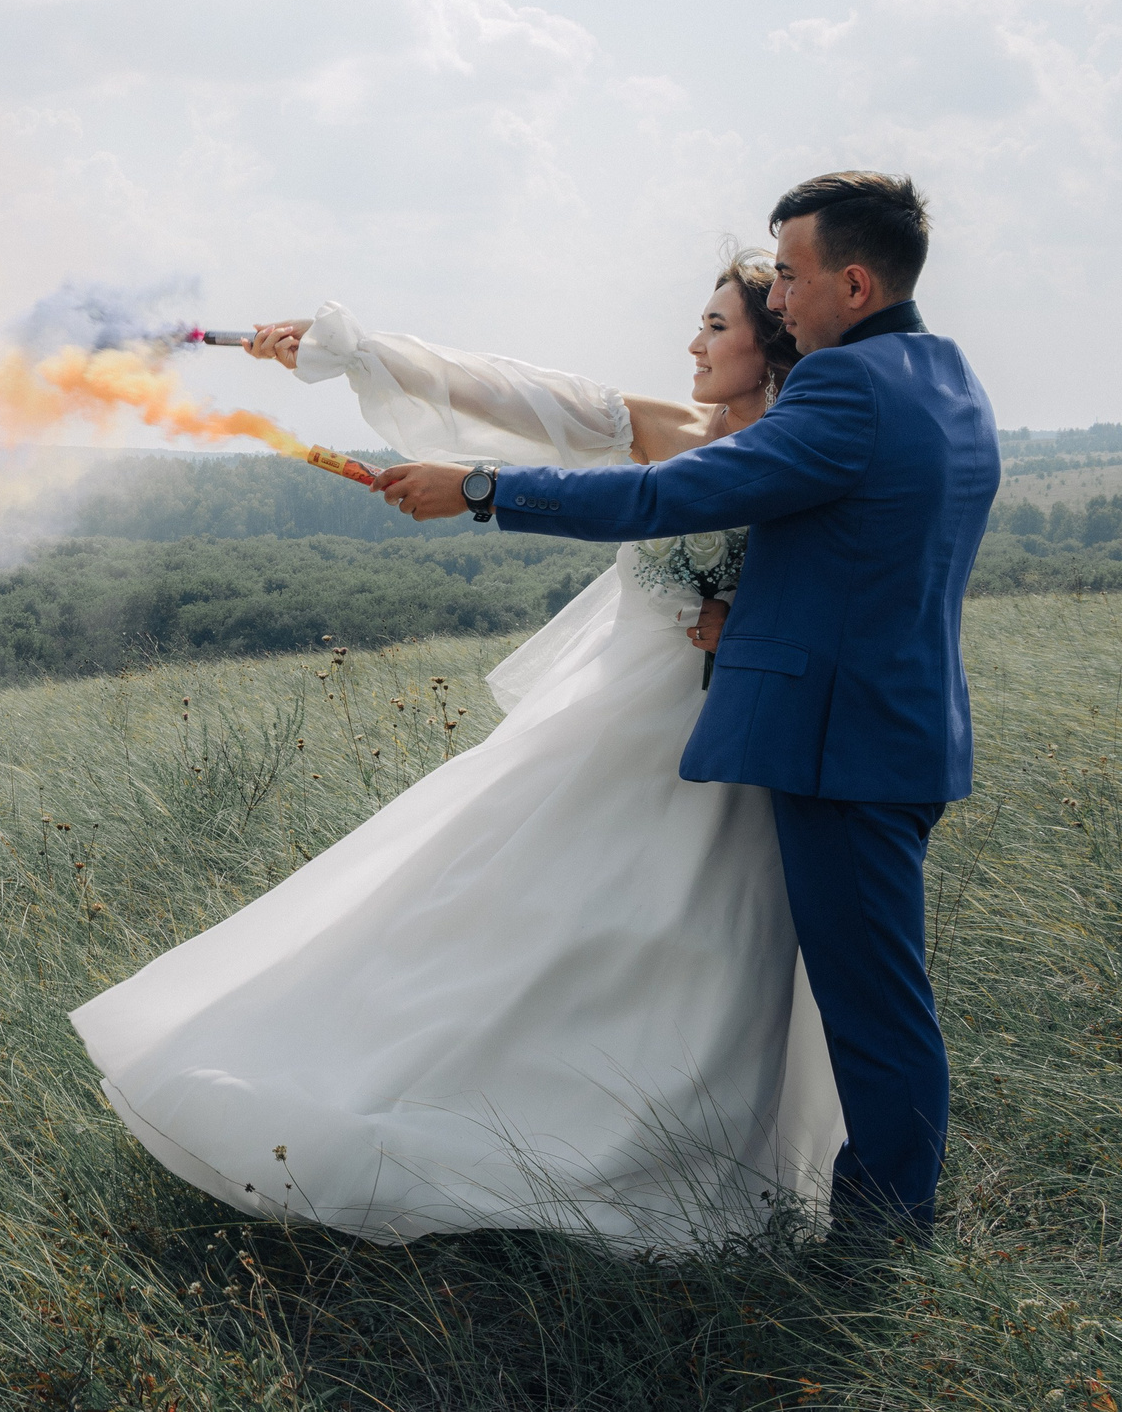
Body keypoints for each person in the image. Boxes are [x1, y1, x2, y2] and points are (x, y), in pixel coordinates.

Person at [72, 248, 839, 1250]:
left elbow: (837, 577)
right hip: (611, 728)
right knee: (504, 911)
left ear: (767, 342)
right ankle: (465, 1111)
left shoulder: (805, 450)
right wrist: (352, 353)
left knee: (702, 941)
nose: (692, 343)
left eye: (715, 326)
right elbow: (533, 399)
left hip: (732, 744)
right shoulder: (681, 430)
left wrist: (750, 619)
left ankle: (677, 1157)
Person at [371, 173, 998, 1248]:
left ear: (853, 281)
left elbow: (670, 496)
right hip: (901, 726)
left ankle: (883, 1241)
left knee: (875, 1010)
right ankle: (876, 1215)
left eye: (793, 277)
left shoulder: (845, 390)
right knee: (871, 996)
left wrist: (483, 491)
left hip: (838, 745)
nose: (783, 301)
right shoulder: (945, 377)